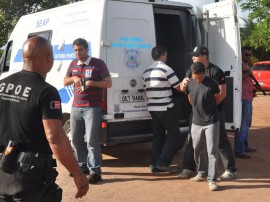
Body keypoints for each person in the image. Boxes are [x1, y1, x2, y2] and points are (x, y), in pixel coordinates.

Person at [0, 36, 89, 201]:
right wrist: (78, 173)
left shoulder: (2, 84)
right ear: (49, 58)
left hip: (2, 172)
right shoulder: (46, 92)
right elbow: (54, 137)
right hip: (30, 181)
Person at [178, 46, 237, 180]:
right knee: (193, 140)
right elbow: (184, 90)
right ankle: (189, 168)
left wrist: (209, 107)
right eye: (192, 55)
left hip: (215, 112)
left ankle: (230, 169)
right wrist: (183, 83)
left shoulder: (216, 71)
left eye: (195, 55)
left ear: (204, 56)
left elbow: (222, 94)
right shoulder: (191, 69)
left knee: (220, 139)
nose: (193, 57)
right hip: (197, 113)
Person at [63, 38, 112, 184]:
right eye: (75, 50)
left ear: (86, 49)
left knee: (91, 140)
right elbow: (65, 81)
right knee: (77, 138)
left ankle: (95, 172)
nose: (77, 53)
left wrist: (90, 83)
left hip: (92, 107)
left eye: (80, 50)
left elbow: (108, 83)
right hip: (76, 107)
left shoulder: (98, 64)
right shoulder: (73, 64)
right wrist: (75, 78)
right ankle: (81, 166)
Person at [143, 46, 189, 173]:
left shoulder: (146, 71)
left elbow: (146, 90)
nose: (167, 57)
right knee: (174, 133)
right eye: (166, 55)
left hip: (152, 108)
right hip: (164, 107)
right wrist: (186, 82)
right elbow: (179, 87)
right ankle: (163, 163)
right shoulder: (166, 69)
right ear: (162, 55)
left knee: (158, 136)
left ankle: (154, 164)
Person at [185, 62, 220, 191]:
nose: (197, 80)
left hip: (211, 122)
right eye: (195, 77)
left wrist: (208, 111)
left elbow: (217, 97)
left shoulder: (212, 84)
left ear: (204, 73)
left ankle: (212, 180)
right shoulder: (190, 83)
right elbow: (190, 97)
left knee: (212, 152)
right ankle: (201, 173)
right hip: (196, 122)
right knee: (197, 149)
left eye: (199, 77)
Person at [234, 46, 257, 159]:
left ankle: (244, 145)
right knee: (242, 125)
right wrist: (248, 73)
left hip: (248, 97)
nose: (248, 56)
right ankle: (239, 150)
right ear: (241, 54)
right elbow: (239, 78)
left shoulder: (245, 65)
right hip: (242, 99)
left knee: (247, 125)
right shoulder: (239, 64)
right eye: (246, 54)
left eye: (250, 55)